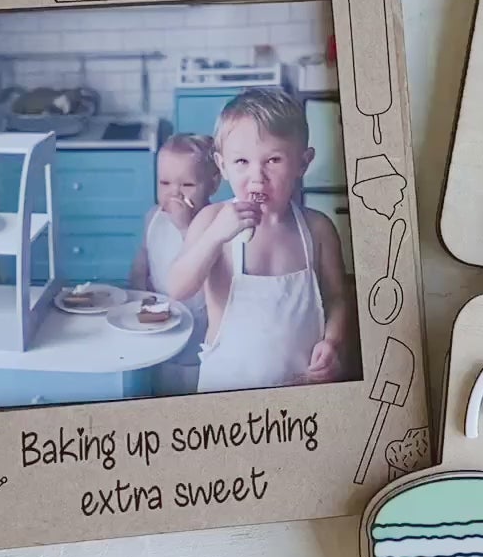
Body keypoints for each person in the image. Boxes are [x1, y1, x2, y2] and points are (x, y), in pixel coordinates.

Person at [169, 86, 349, 393]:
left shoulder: (317, 229)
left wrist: (332, 342)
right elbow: (178, 288)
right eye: (242, 162)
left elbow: (337, 299)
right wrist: (215, 237)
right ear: (222, 165)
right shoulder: (211, 221)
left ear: (303, 164)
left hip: (301, 388)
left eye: (273, 160)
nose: (257, 176)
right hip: (225, 390)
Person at [130, 133, 220, 394]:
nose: (174, 193)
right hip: (160, 316)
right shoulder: (153, 217)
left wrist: (183, 226)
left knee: (192, 382)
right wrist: (137, 293)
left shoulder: (213, 221)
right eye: (165, 182)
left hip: (201, 319)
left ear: (213, 184)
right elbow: (142, 260)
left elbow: (204, 262)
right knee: (161, 375)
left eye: (188, 185)